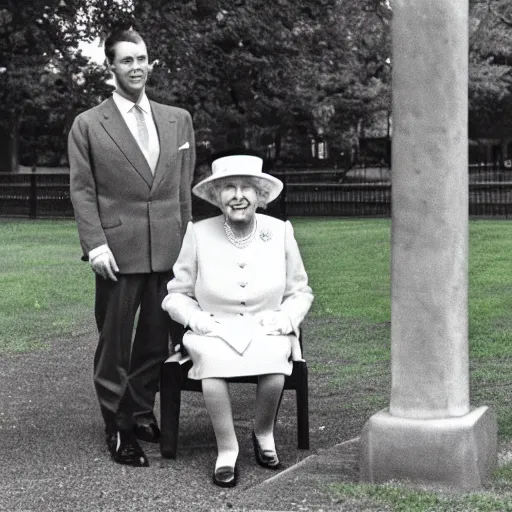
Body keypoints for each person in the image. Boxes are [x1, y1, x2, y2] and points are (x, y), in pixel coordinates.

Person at [68, 28, 196, 467]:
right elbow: (82, 191)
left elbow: (182, 190)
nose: (136, 67)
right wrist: (95, 244)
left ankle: (140, 409)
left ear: (150, 62)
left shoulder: (177, 118)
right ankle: (117, 424)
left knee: (158, 341)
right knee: (115, 342)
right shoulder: (88, 124)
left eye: (142, 59)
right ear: (111, 67)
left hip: (169, 247)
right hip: (116, 252)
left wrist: (188, 241)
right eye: (127, 61)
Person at [161, 153, 313, 487]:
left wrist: (286, 319)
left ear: (261, 196)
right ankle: (227, 450)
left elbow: (300, 291)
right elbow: (176, 293)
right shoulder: (198, 233)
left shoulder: (279, 231)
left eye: (247, 188)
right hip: (213, 328)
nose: (238, 195)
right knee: (213, 364)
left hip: (266, 324)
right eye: (229, 188)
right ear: (217, 197)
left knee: (274, 361)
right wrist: (198, 321)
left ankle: (264, 433)